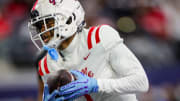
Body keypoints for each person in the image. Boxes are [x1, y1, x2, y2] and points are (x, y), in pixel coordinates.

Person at [28, 0, 149, 101]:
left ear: (70, 18)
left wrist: (96, 85)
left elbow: (141, 82)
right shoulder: (46, 65)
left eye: (48, 23)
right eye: (39, 26)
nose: (43, 32)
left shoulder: (100, 37)